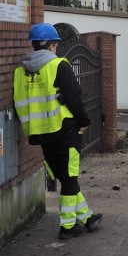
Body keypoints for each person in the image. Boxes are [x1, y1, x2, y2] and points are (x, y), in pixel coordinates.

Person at [13, 23, 103, 240]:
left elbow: (19, 103)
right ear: (52, 45)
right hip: (64, 130)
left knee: (65, 177)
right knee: (70, 178)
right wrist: (84, 121)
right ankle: (67, 226)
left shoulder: (20, 72)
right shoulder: (58, 66)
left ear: (34, 45)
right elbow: (74, 96)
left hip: (40, 134)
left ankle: (87, 217)